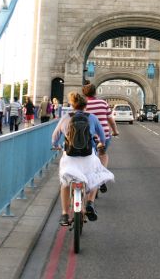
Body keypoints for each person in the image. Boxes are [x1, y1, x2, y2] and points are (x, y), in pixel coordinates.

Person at [51, 92, 114, 226]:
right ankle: (90, 202)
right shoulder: (92, 117)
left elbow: (55, 136)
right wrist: (101, 143)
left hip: (70, 157)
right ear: (86, 106)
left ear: (72, 105)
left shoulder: (66, 117)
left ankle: (64, 214)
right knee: (96, 176)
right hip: (88, 156)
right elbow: (102, 136)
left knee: (65, 183)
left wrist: (55, 145)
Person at [81, 83, 118, 193]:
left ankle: (89, 179)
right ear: (95, 92)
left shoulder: (82, 104)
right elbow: (110, 119)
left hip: (87, 136)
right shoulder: (103, 103)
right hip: (104, 135)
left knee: (88, 156)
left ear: (83, 93)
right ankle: (102, 180)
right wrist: (115, 131)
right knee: (102, 154)